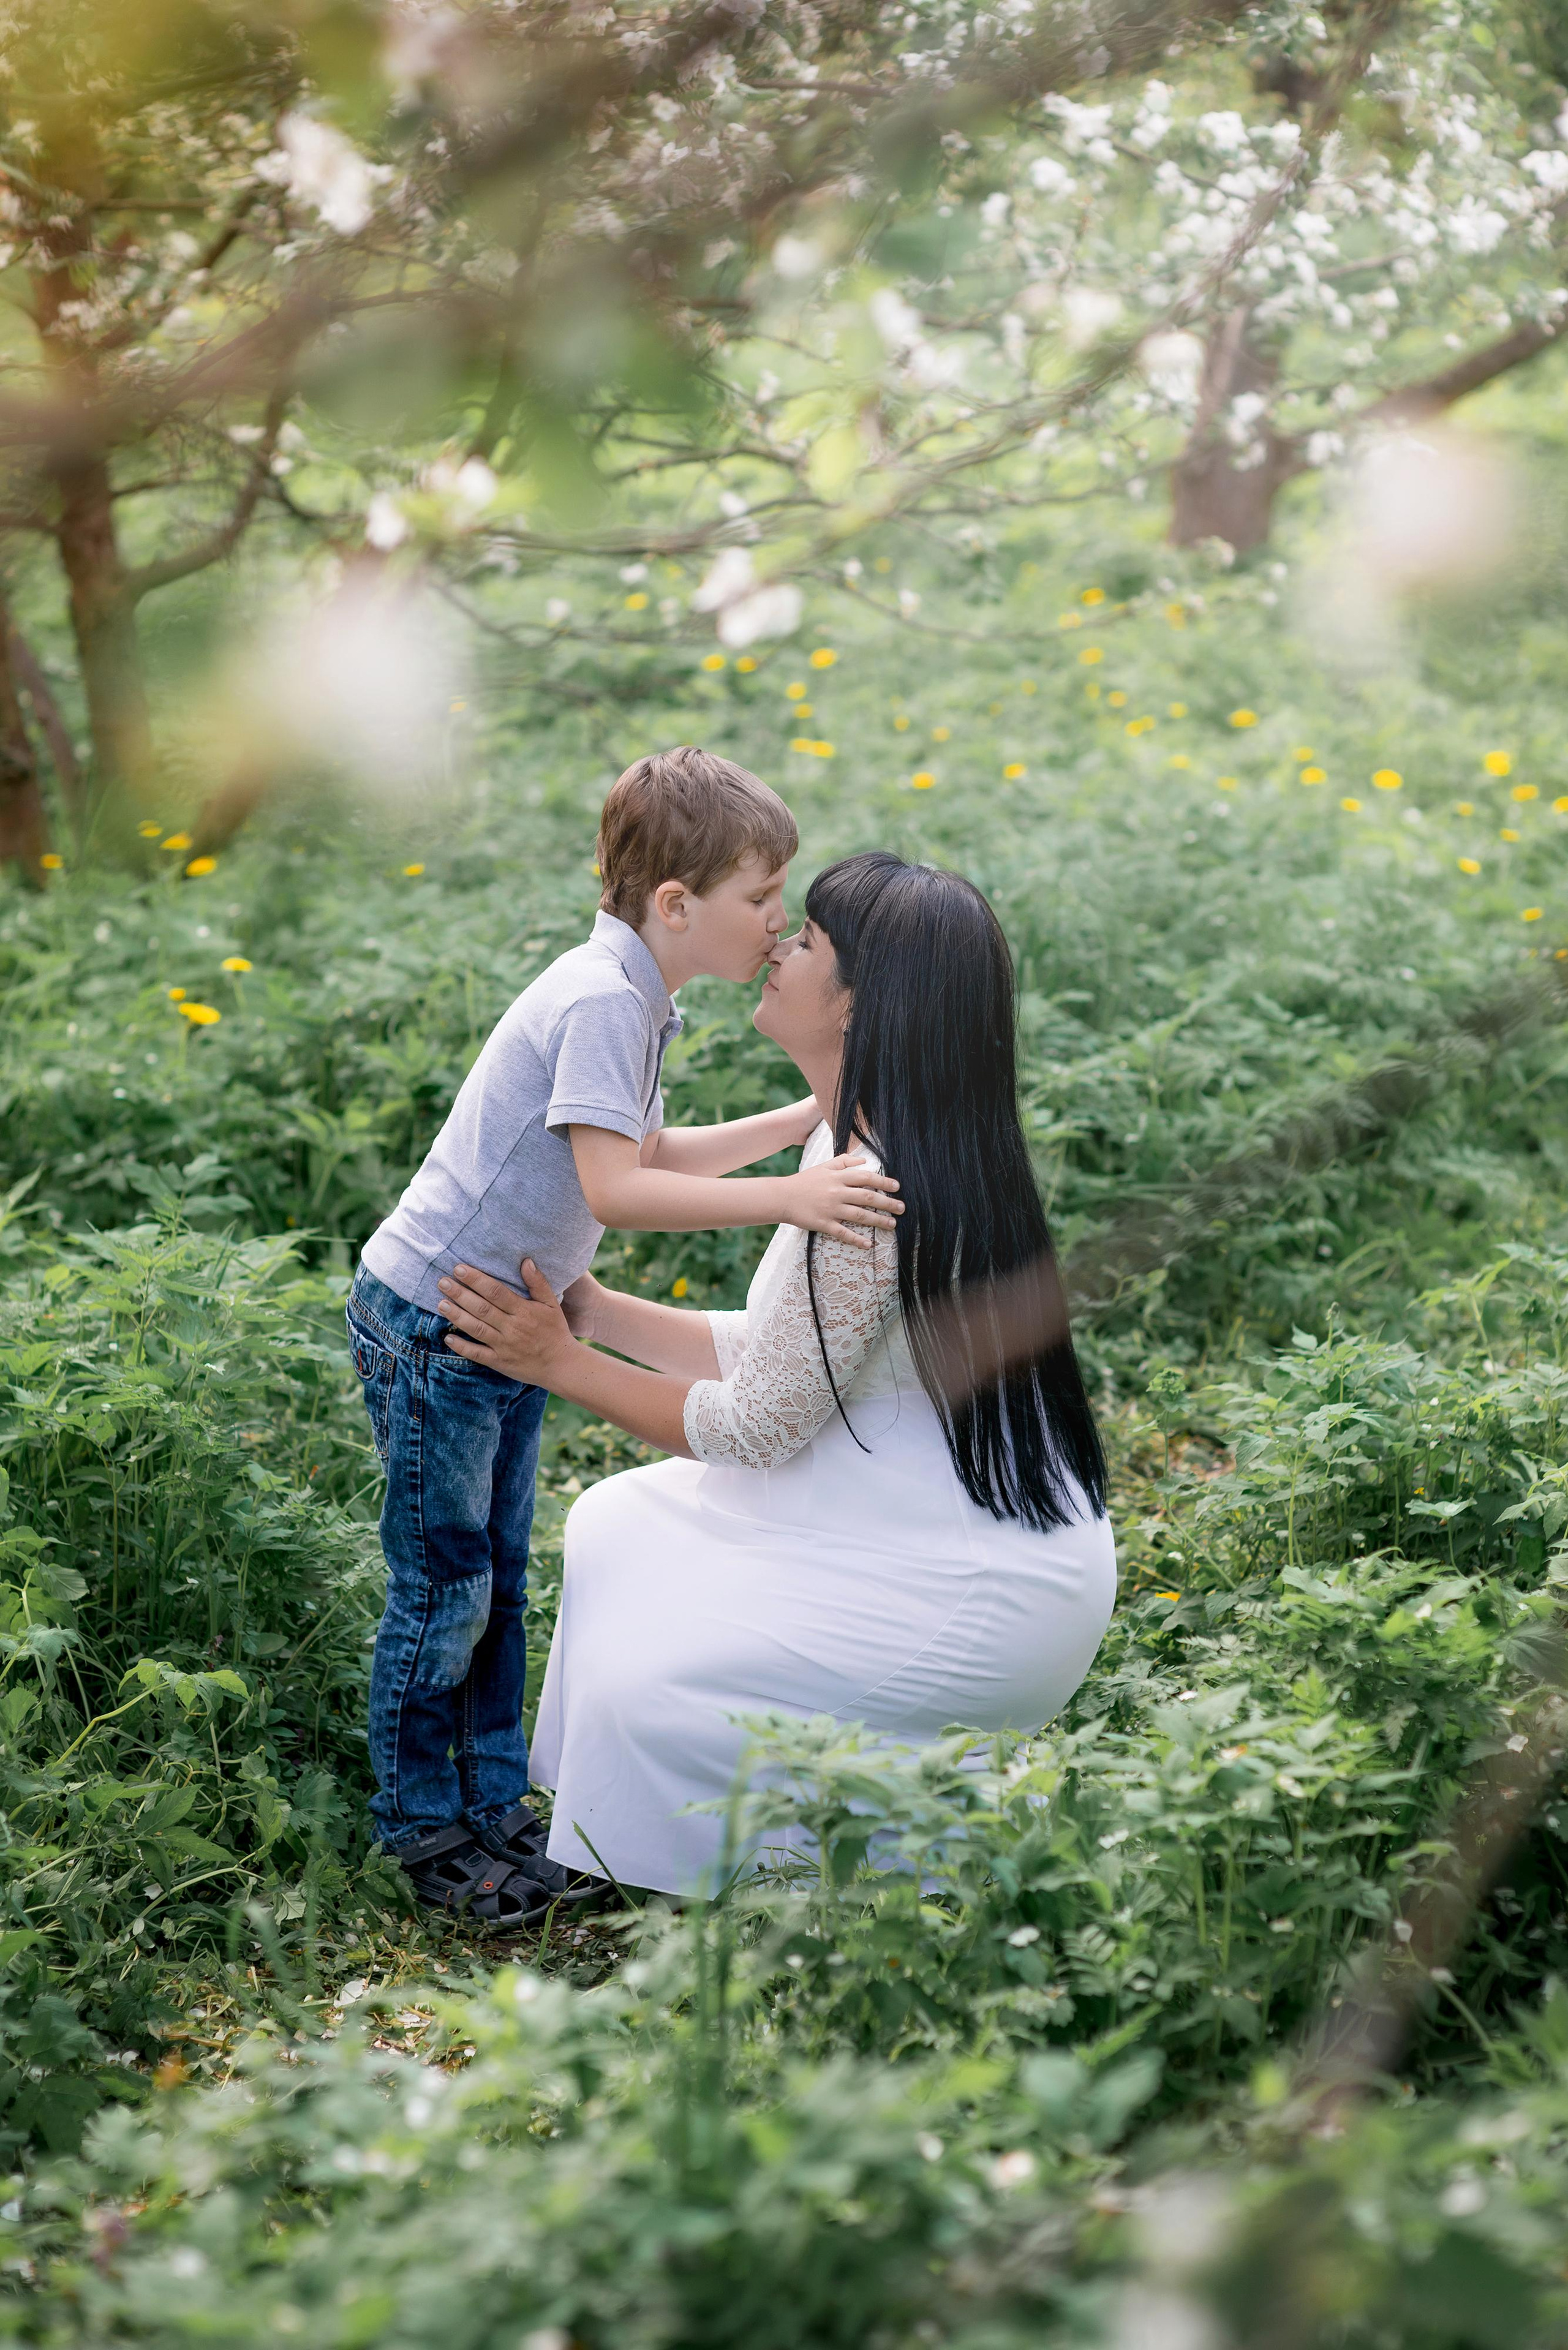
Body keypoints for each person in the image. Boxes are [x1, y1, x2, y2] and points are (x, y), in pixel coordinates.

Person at [434, 851, 1116, 1899]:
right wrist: (599, 1312)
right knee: (622, 1526)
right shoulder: (865, 1152)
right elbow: (789, 1351)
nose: (777, 949)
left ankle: (893, 1838)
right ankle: (656, 1827)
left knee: (646, 1693)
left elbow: (759, 1426)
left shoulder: (874, 1192)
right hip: (930, 1523)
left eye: (807, 942)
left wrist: (558, 1362)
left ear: (858, 1004)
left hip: (976, 1590)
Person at [346, 753, 903, 1925]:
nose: (774, 923)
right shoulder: (601, 999)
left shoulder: (641, 994)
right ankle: (421, 1830)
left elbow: (650, 1155)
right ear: (675, 903)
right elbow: (622, 1189)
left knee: (496, 1574)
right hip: (437, 1320)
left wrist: (804, 1121)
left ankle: (496, 1807)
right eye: (763, 897)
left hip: (510, 1319)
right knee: (446, 1583)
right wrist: (792, 1196)